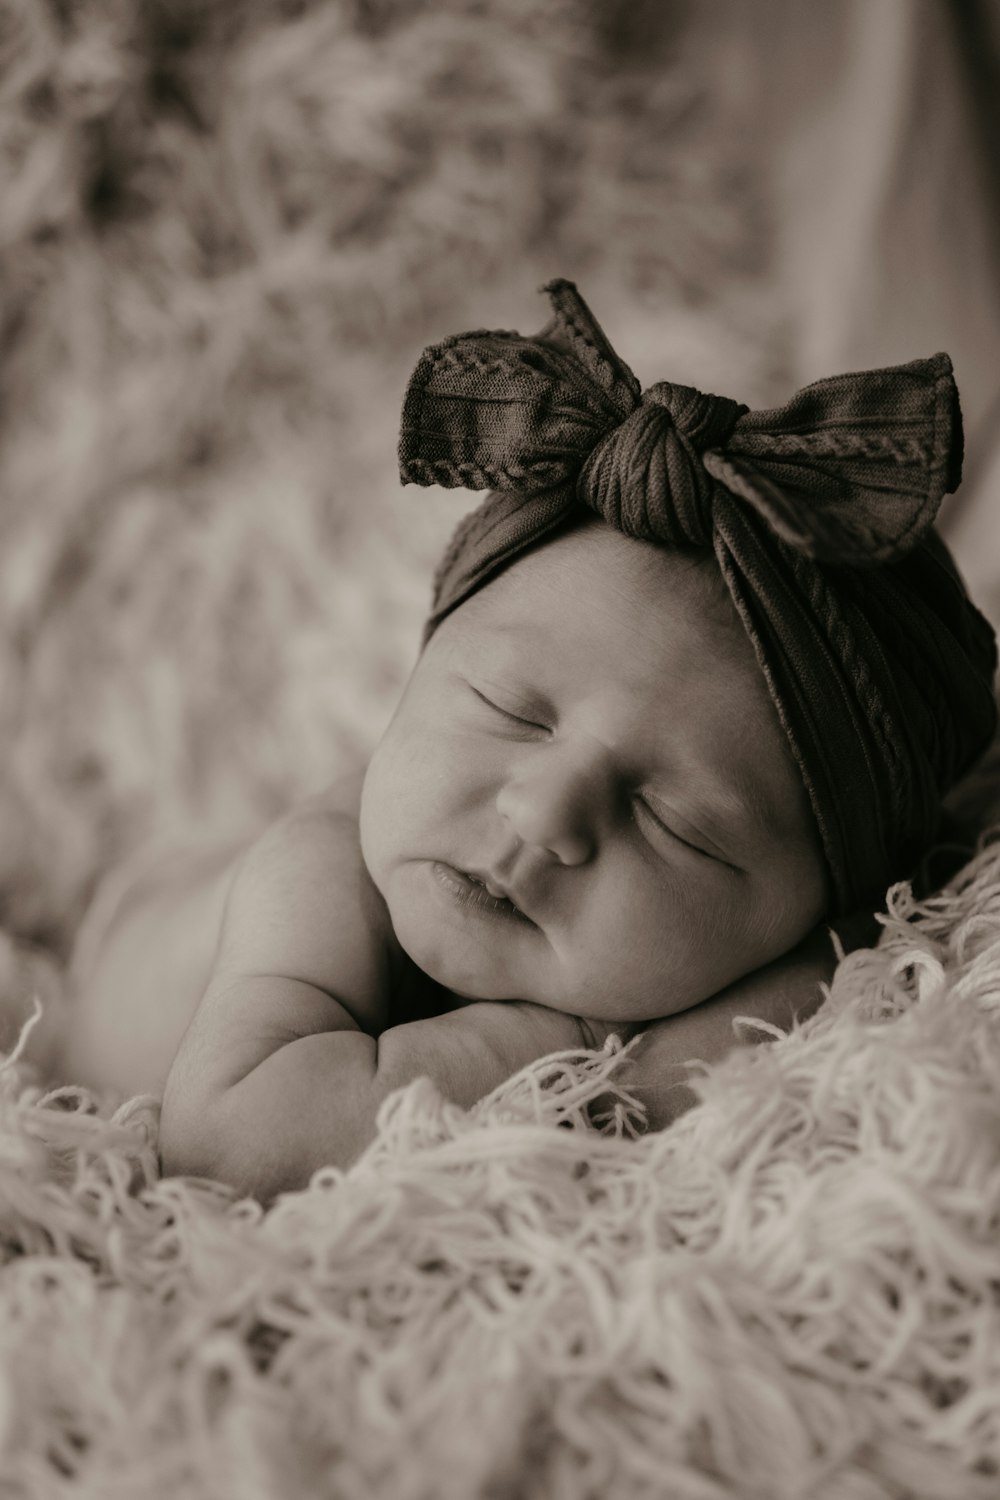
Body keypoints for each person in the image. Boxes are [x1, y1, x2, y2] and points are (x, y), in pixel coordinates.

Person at [33, 282, 998, 1202]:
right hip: (119, 945)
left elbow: (838, 980)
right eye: (507, 709)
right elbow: (235, 1150)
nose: (541, 810)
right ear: (420, 672)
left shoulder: (794, 941)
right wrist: (588, 1049)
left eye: (678, 825)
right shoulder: (317, 880)